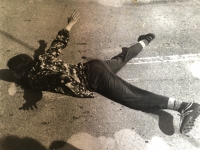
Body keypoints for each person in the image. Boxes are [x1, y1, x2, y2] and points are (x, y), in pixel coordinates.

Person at [7, 11, 200, 134]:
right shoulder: (43, 58)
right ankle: (145, 39)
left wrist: (59, 79)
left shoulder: (33, 78)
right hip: (93, 66)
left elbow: (45, 78)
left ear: (20, 71)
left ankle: (184, 106)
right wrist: (69, 24)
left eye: (14, 73)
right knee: (122, 58)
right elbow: (58, 43)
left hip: (93, 78)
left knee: (132, 97)